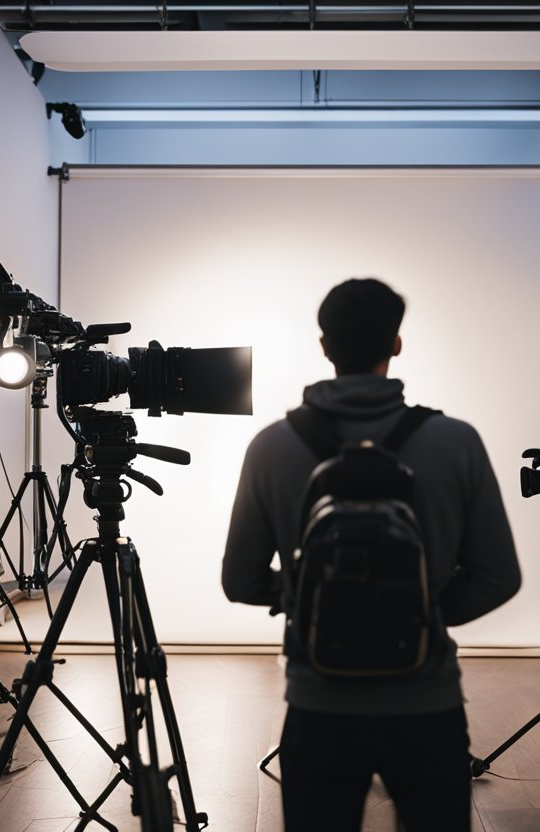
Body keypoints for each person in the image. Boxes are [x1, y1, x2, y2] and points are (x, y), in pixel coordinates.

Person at [222, 277, 522, 831]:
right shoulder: (456, 441)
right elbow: (499, 576)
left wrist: (301, 596)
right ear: (397, 344)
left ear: (324, 346)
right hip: (426, 704)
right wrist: (423, 611)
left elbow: (239, 580)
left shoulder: (271, 446)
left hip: (319, 705)